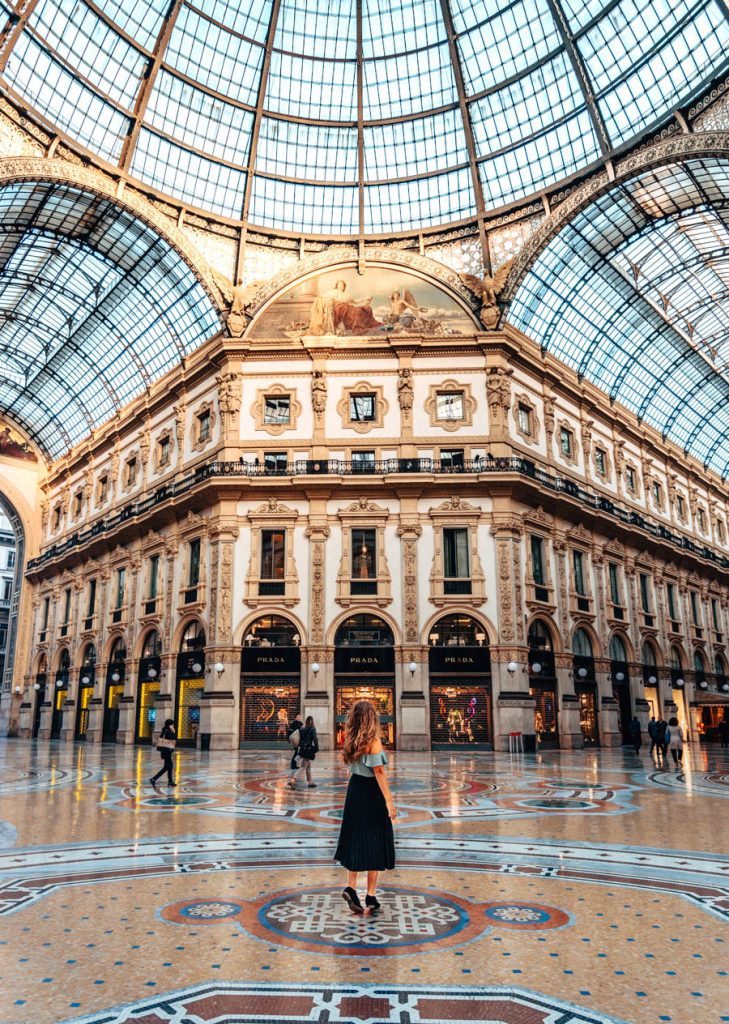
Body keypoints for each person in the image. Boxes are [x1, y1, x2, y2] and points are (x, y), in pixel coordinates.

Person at [335, 700, 397, 915]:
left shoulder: (350, 739)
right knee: (375, 838)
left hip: (355, 790)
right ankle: (370, 893)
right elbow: (378, 772)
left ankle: (352, 888)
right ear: (372, 718)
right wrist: (389, 801)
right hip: (371, 792)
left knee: (356, 837)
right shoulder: (373, 741)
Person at [289, 715, 319, 789]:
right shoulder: (312, 729)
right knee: (303, 766)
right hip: (308, 749)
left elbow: (301, 739)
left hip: (302, 748)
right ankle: (293, 780)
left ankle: (310, 782)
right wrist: (316, 748)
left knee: (308, 766)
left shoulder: (302, 728)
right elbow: (315, 739)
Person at [150, 719, 176, 787]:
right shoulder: (167, 731)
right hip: (167, 751)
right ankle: (154, 779)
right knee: (169, 766)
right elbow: (173, 740)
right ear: (170, 725)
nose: (173, 725)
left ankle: (169, 781)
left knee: (167, 767)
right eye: (172, 724)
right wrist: (173, 732)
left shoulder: (164, 731)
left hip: (165, 751)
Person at [286, 711, 304, 776]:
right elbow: (289, 732)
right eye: (297, 717)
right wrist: (289, 739)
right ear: (295, 718)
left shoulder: (301, 723)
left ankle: (294, 764)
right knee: (298, 752)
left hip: (300, 740)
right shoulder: (293, 724)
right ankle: (293, 765)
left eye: (299, 717)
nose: (299, 718)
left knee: (298, 753)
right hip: (296, 741)